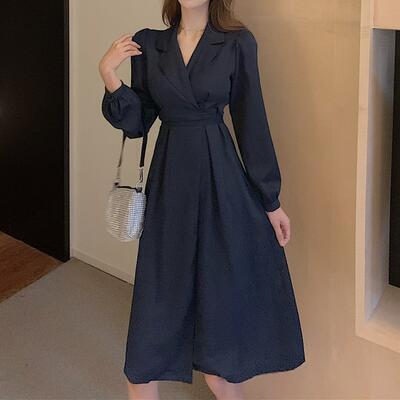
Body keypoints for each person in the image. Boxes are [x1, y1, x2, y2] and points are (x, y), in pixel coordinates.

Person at [99, 0, 305, 398]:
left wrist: (271, 200)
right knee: (146, 345)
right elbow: (138, 123)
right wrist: (109, 74)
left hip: (219, 182)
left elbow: (251, 122)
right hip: (170, 184)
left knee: (220, 354)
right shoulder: (149, 44)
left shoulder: (237, 42)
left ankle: (220, 367)